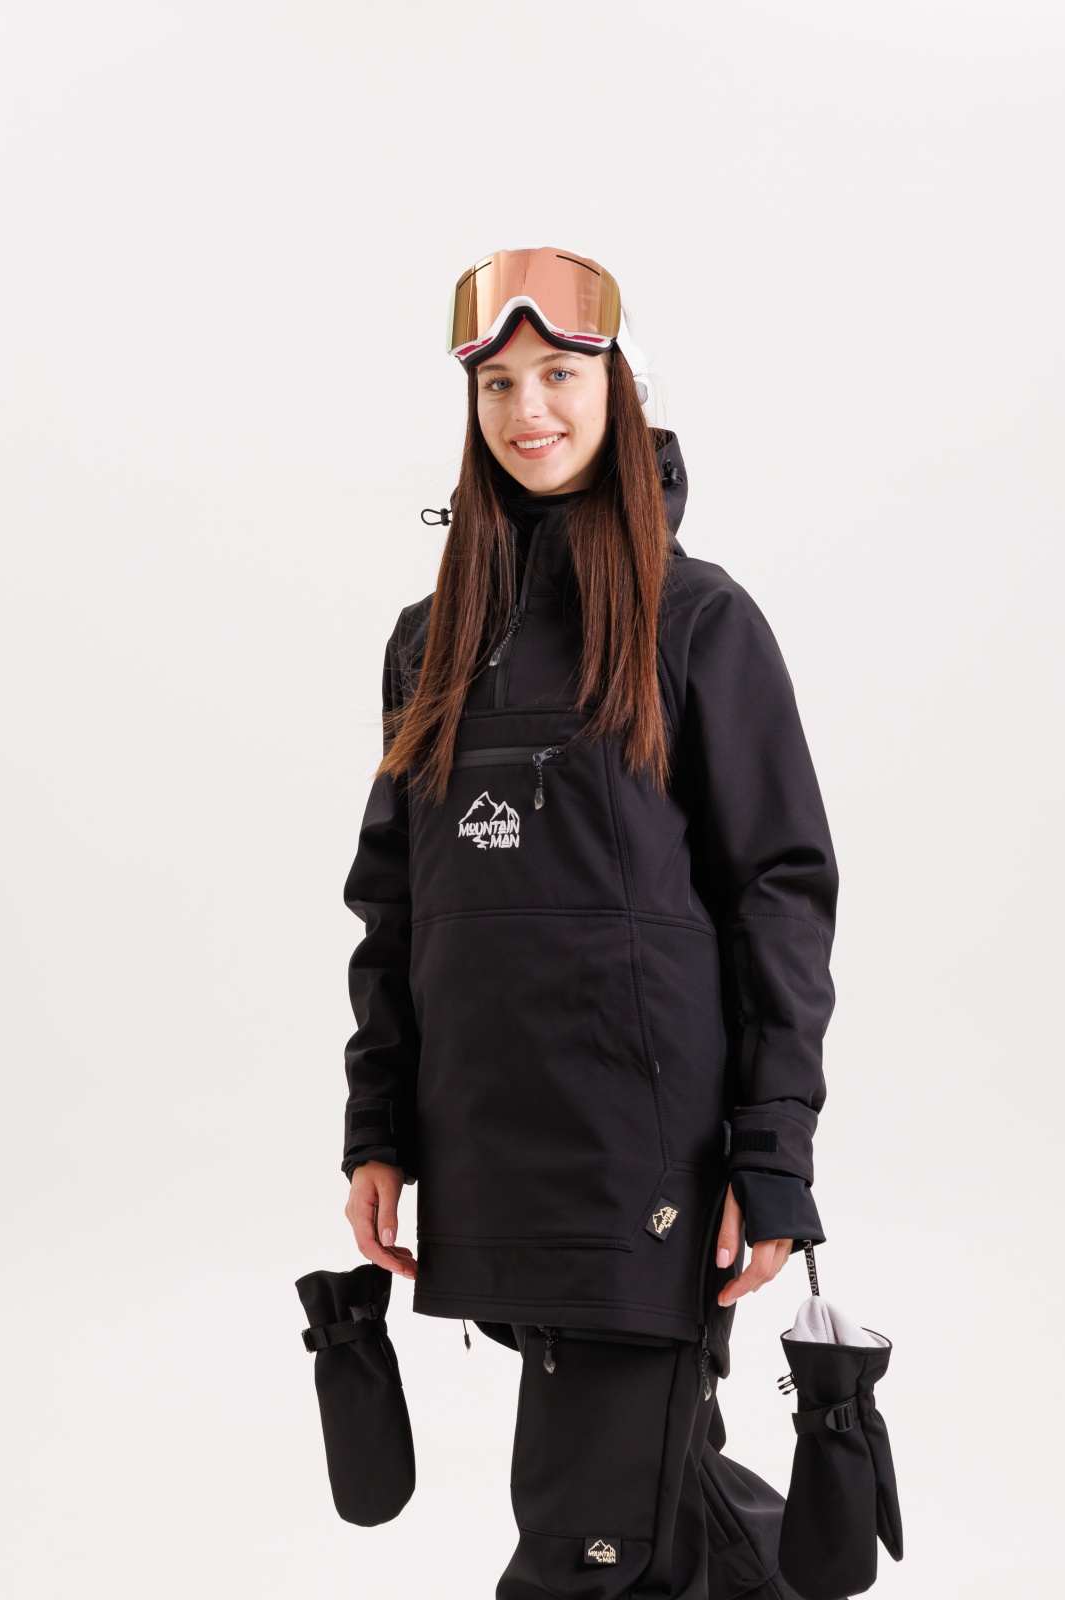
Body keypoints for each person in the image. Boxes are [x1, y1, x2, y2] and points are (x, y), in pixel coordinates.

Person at [339, 246, 837, 1599]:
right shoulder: (430, 640)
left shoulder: (698, 619)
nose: (529, 409)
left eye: (558, 374)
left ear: (619, 391)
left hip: (647, 1166)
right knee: (657, 1504)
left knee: (585, 1547)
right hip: (492, 1154)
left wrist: (772, 1157)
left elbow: (780, 896)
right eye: (498, 384)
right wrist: (379, 1128)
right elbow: (395, 905)